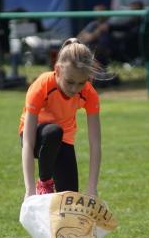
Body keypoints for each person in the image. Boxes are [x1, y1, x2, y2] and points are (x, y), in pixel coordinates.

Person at [19, 38, 102, 198]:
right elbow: (28, 142)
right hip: (37, 138)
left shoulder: (89, 94)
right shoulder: (42, 85)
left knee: (69, 199)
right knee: (53, 132)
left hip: (64, 142)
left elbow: (95, 143)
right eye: (70, 82)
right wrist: (29, 190)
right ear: (57, 70)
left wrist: (92, 187)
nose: (74, 89)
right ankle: (44, 182)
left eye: (81, 83)